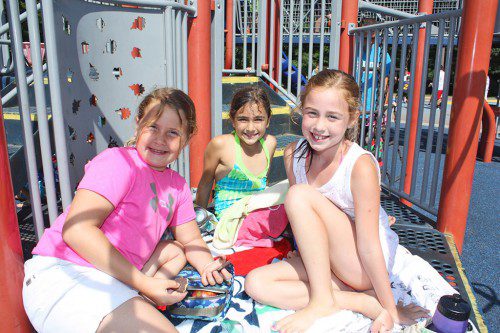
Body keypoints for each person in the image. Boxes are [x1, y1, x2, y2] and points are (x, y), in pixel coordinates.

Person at [23, 88, 231, 333]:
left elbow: (191, 239)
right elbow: (76, 231)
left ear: (187, 137)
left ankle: (138, 297)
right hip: (68, 273)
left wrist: (207, 265)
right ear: (138, 125)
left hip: (115, 277)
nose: (160, 139)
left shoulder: (177, 185)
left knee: (175, 250)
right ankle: (140, 297)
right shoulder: (118, 162)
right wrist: (144, 282)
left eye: (173, 133)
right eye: (153, 127)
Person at [244, 69, 428, 333]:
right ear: (301, 111)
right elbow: (302, 220)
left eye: (333, 117)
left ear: (351, 119)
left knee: (298, 195)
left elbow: (368, 244)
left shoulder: (360, 165)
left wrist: (391, 310)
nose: (320, 126)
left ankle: (323, 300)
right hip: (326, 258)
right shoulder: (293, 155)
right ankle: (353, 300)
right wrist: (301, 250)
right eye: (312, 113)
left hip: (360, 265)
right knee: (256, 283)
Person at [196, 86, 277, 219]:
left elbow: (263, 183)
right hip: (230, 220)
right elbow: (205, 184)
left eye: (258, 119)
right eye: (243, 119)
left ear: (268, 120)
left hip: (259, 214)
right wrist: (199, 222)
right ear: (233, 120)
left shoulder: (270, 143)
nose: (250, 128)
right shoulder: (221, 145)